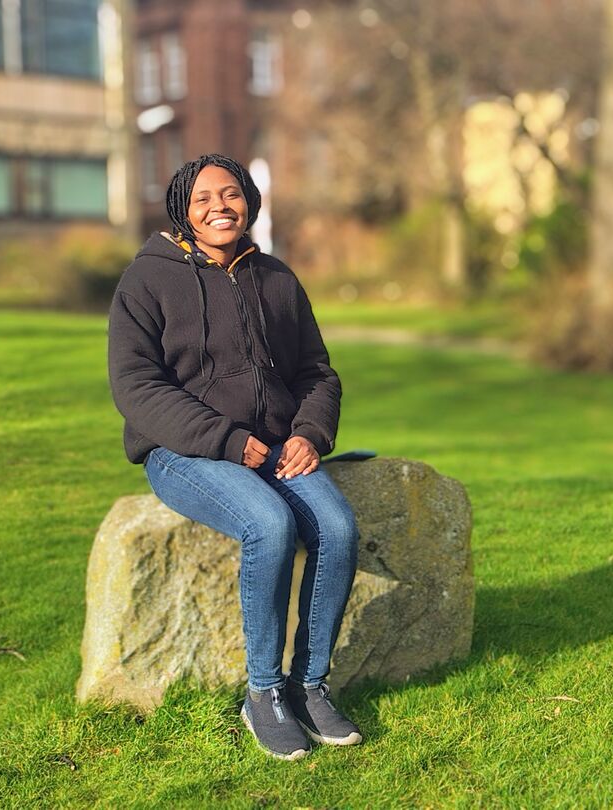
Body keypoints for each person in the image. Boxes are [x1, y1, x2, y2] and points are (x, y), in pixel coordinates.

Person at [107, 154, 361, 761]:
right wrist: (222, 439)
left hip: (276, 446)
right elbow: (136, 386)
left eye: (232, 194)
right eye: (202, 199)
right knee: (268, 526)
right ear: (181, 211)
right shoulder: (147, 280)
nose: (219, 206)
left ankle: (310, 684)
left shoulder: (275, 278)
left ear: (249, 201)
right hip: (183, 450)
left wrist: (308, 434)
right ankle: (264, 693)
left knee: (338, 527)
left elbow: (316, 373)